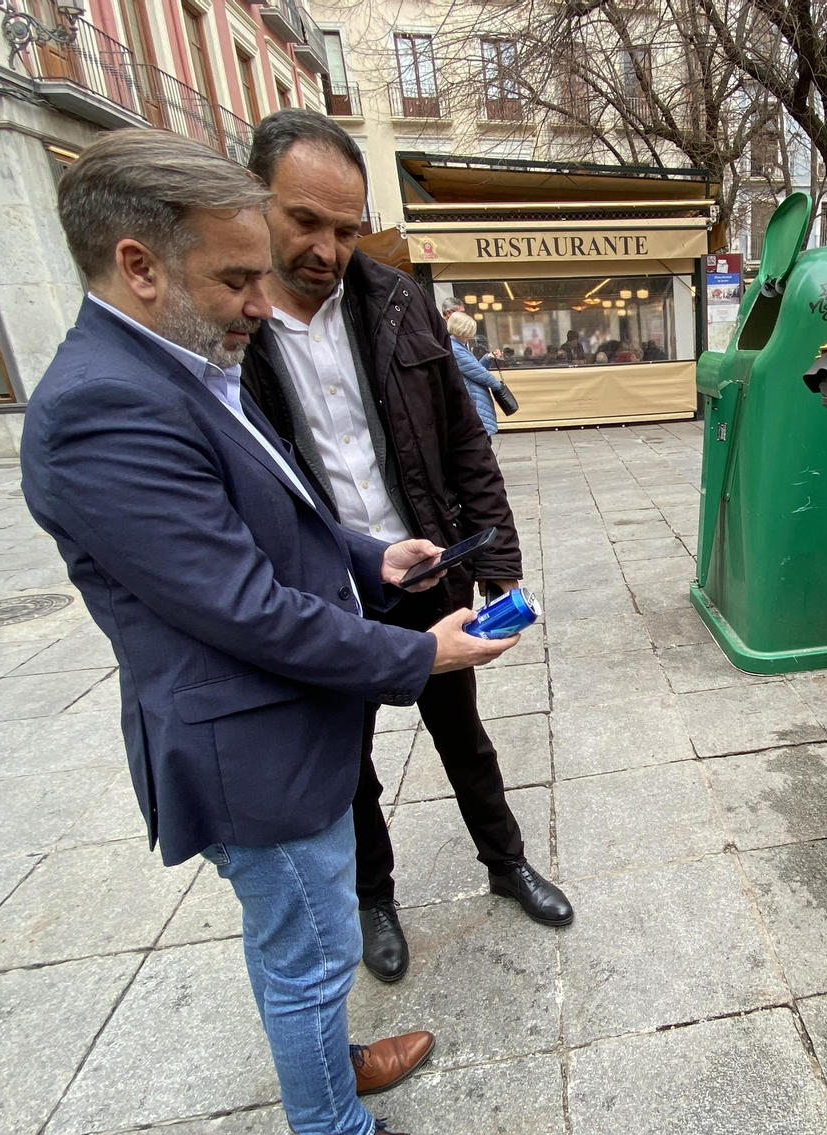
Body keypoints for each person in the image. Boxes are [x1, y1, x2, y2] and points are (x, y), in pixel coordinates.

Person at [22, 130, 516, 1135]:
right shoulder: (103, 409)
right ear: (139, 266)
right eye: (236, 278)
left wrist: (370, 555)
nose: (261, 302)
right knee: (309, 953)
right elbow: (242, 607)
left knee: (312, 938)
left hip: (283, 723)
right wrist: (416, 651)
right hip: (249, 748)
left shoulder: (176, 363)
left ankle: (331, 1062)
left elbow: (276, 515)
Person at [240, 112, 572, 989]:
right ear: (254, 200)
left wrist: (496, 558)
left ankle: (507, 864)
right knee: (346, 765)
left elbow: (465, 439)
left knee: (464, 736)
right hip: (320, 587)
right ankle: (374, 900)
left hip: (423, 566)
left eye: (347, 229)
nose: (328, 249)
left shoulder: (395, 299)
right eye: (304, 221)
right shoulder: (232, 324)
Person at [448, 310, 502, 439]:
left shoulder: (459, 346)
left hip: (475, 398)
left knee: (482, 440)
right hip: (474, 399)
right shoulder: (456, 349)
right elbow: (478, 372)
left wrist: (487, 358)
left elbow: (475, 370)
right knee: (481, 440)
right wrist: (499, 387)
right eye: (469, 332)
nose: (471, 336)